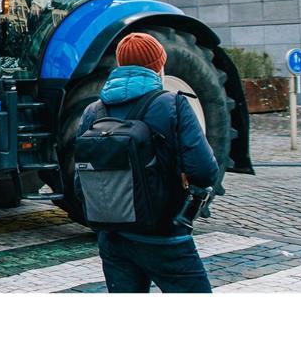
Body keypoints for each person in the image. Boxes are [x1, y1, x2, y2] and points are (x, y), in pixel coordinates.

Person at [76, 33, 219, 293]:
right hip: (164, 236)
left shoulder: (92, 112)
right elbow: (205, 171)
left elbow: (80, 182)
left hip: (113, 237)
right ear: (158, 65)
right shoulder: (173, 104)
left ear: (120, 65)